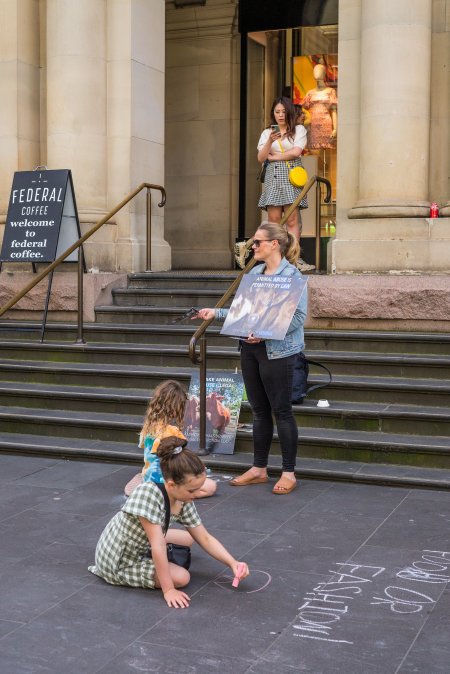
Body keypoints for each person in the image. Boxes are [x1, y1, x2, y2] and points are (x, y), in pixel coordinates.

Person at [196, 221, 307, 495]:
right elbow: (242, 311)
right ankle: (259, 468)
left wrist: (267, 333)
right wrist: (216, 313)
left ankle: (288, 472)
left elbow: (298, 318)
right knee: (258, 410)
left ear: (274, 245)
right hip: (249, 348)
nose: (252, 246)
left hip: (277, 351)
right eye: (253, 242)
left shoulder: (292, 277)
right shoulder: (256, 273)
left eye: (257, 242)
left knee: (281, 411)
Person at [89, 436, 249, 608]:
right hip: (118, 559)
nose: (197, 493)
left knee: (189, 538)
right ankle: (131, 570)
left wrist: (233, 563)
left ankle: (152, 558)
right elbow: (157, 546)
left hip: (139, 541)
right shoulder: (147, 495)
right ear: (172, 485)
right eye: (193, 490)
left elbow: (205, 538)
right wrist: (169, 590)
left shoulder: (182, 498)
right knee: (182, 577)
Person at [234, 97, 314, 273]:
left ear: (289, 112)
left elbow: (296, 152)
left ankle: (294, 258)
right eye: (277, 112)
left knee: (293, 220)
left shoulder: (298, 129)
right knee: (274, 221)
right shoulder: (266, 133)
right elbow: (261, 158)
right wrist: (270, 141)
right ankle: (270, 257)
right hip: (273, 176)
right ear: (273, 114)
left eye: (284, 112)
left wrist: (274, 156)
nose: (280, 115)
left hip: (291, 175)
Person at [124, 380, 217, 499]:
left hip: (148, 475)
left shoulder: (148, 427)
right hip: (166, 480)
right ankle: (173, 496)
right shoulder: (172, 431)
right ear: (177, 407)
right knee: (211, 486)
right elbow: (178, 461)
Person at [302, 64, 337, 150]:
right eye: (315, 70)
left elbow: (334, 111)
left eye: (319, 70)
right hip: (313, 125)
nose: (317, 73)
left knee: (328, 149)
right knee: (313, 151)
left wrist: (335, 129)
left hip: (326, 124)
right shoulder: (310, 93)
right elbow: (303, 110)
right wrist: (305, 123)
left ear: (324, 73)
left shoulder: (330, 91)